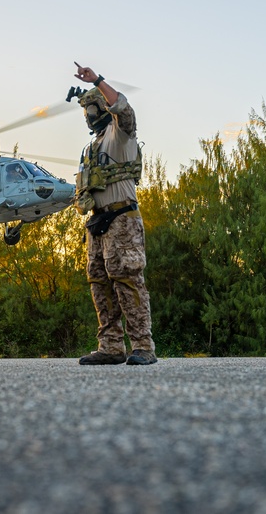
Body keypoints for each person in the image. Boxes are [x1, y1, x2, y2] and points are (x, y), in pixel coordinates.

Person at [72, 62, 156, 366]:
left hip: (122, 219)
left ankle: (143, 346)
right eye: (86, 111)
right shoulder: (91, 147)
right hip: (97, 222)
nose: (88, 116)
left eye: (92, 109)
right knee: (99, 283)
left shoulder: (120, 133)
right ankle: (110, 346)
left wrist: (97, 80)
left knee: (128, 280)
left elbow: (124, 108)